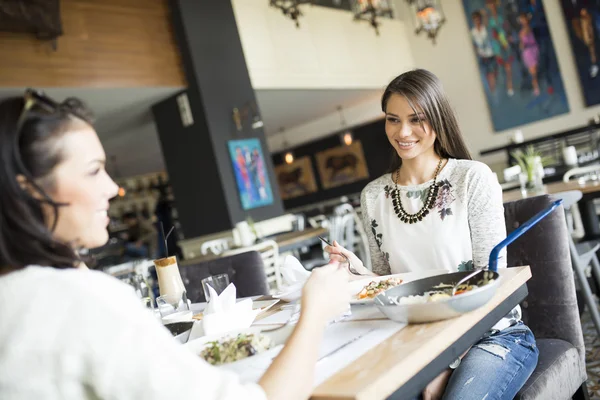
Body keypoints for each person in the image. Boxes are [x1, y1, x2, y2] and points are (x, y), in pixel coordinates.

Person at [0, 89, 351, 400]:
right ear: (30, 191)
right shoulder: (83, 299)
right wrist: (315, 310)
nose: (111, 188)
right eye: (93, 171)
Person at [325, 70, 538, 400]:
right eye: (393, 119)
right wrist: (358, 271)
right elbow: (392, 287)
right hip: (417, 342)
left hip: (489, 336)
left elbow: (490, 285)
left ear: (438, 119)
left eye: (416, 119)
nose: (403, 132)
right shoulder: (372, 196)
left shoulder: (472, 179)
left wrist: (447, 361)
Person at [519, 12, 541, 96]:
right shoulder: (522, 32)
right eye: (522, 20)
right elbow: (522, 44)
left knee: (534, 71)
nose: (524, 21)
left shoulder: (530, 28)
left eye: (524, 19)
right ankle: (536, 88)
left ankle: (536, 87)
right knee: (533, 72)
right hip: (528, 52)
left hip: (533, 50)